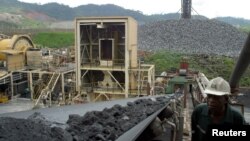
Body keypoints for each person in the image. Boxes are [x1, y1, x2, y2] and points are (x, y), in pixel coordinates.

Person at [191, 77, 246, 141]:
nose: (211, 100)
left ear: (226, 99)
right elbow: (194, 136)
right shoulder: (198, 112)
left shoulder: (237, 118)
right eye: (209, 96)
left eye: (216, 97)